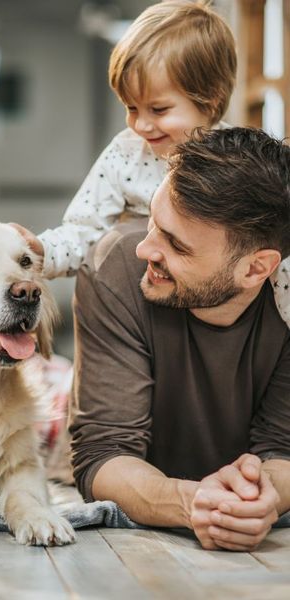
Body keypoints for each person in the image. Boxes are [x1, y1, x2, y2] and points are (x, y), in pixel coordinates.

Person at [70, 126, 290, 551]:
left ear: (256, 269)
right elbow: (102, 455)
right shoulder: (115, 269)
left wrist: (265, 497)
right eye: (153, 223)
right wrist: (194, 503)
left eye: (175, 244)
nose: (145, 250)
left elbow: (282, 450)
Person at [14, 0, 290, 328]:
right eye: (131, 108)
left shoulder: (237, 161)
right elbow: (85, 230)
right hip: (147, 313)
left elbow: (272, 248)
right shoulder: (127, 154)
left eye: (158, 110)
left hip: (219, 311)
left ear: (211, 99)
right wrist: (41, 251)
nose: (141, 125)